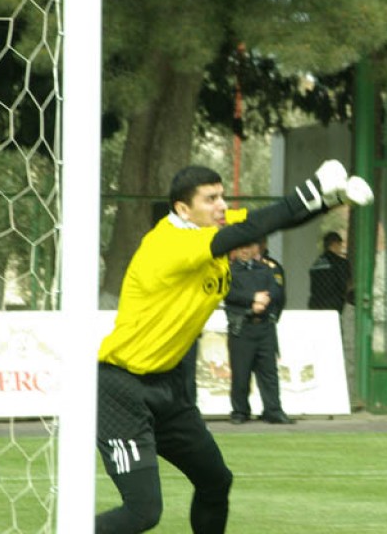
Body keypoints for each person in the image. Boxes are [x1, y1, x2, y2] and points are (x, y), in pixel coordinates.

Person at [95, 160, 372, 534]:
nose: (221, 205)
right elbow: (253, 227)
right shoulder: (170, 242)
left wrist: (329, 201)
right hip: (121, 390)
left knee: (215, 481)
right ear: (183, 209)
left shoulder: (209, 229)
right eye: (210, 199)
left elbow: (270, 220)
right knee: (142, 512)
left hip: (168, 387)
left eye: (222, 196)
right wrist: (313, 186)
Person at [225, 240, 292, 425]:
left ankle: (273, 410)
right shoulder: (229, 271)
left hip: (264, 326)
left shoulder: (265, 269)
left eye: (248, 247)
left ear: (255, 248)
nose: (244, 250)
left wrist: (264, 302)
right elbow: (228, 293)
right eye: (241, 247)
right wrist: (252, 299)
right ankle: (240, 411)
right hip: (242, 327)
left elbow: (276, 290)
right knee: (241, 372)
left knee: (269, 372)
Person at [308, 231, 352, 313]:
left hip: (316, 306)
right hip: (333, 306)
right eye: (340, 245)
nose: (340, 248)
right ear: (334, 244)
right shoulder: (341, 263)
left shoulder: (316, 264)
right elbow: (344, 286)